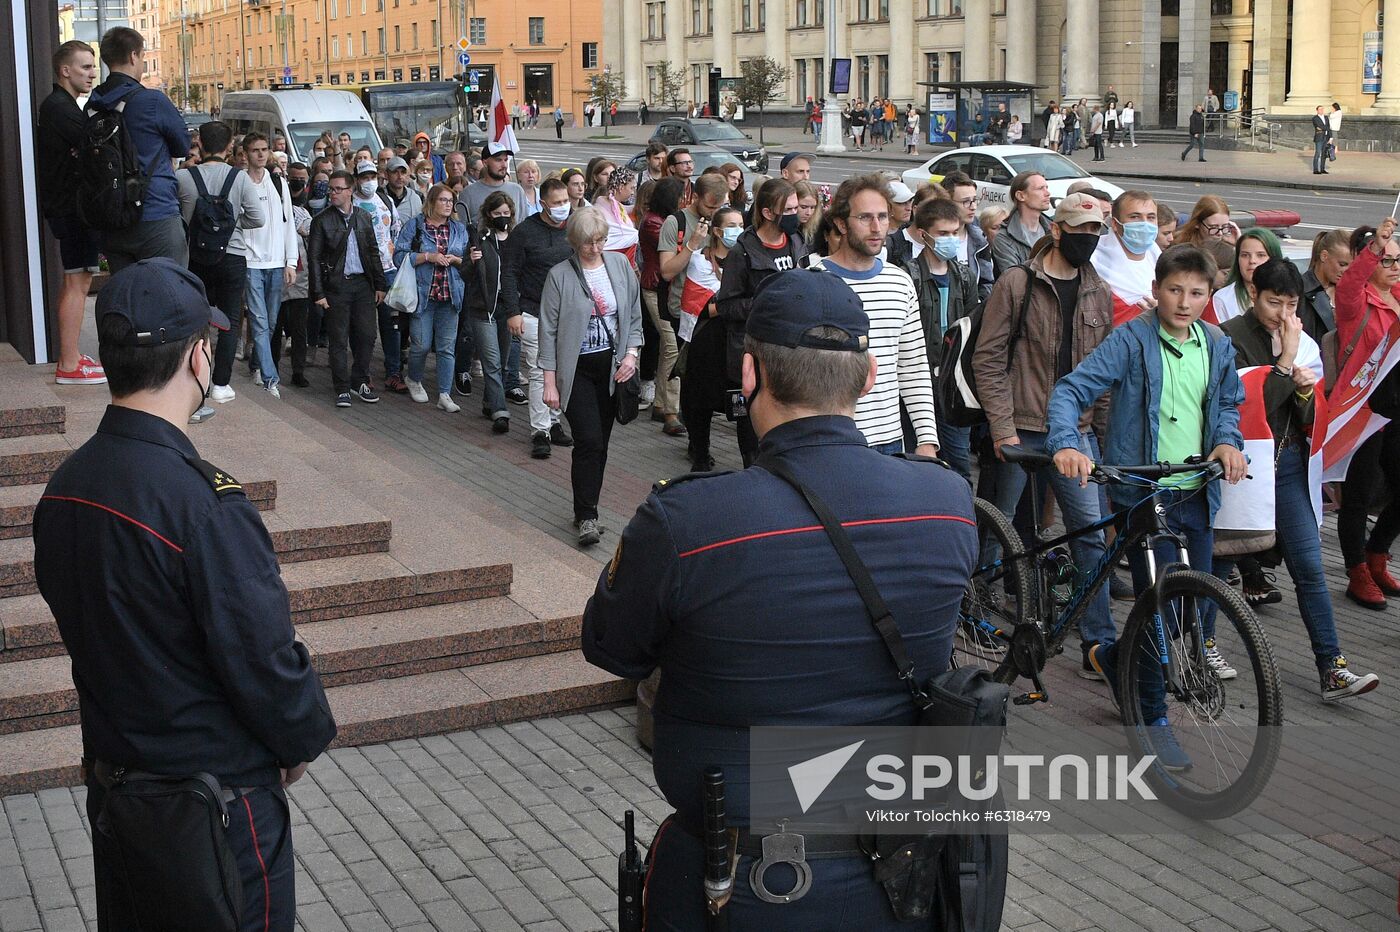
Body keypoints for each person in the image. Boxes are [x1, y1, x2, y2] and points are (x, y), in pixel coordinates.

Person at [580, 269, 977, 930]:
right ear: (871, 375)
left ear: (748, 374)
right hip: (895, 880)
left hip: (734, 884)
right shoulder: (946, 503)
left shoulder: (686, 521)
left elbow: (609, 648)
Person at [32, 258, 336, 931]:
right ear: (199, 357)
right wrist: (301, 738)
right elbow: (264, 657)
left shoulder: (66, 487)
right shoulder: (203, 503)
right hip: (215, 810)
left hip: (121, 799)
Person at [1049, 246, 1248, 766]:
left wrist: (1228, 442)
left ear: (1210, 296)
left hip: (1197, 491)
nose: (1184, 303)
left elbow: (1227, 404)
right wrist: (1067, 442)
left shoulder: (1216, 344)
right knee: (1158, 608)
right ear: (1156, 289)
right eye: (1175, 290)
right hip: (1145, 491)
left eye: (1197, 293)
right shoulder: (1132, 340)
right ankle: (1153, 717)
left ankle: (1115, 657)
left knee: (1192, 610)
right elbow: (1072, 390)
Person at [1217, 257, 1381, 700]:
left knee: (1308, 568)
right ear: (1253, 295)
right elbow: (1251, 409)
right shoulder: (1228, 337)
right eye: (1274, 303)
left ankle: (1332, 666)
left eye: (1292, 305)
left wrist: (1306, 391)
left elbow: (1310, 419)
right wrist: (1286, 366)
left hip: (1288, 466)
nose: (1284, 316)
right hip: (1242, 467)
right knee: (1221, 560)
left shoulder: (1301, 339)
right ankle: (1202, 646)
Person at [975, 193, 1117, 671]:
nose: (1090, 240)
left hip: (1074, 434)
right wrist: (1001, 427)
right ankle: (974, 606)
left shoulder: (1099, 291)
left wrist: (1100, 437)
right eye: (1081, 230)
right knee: (1000, 526)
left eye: (1097, 231)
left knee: (1089, 535)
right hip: (1021, 426)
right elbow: (989, 358)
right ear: (1057, 230)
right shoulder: (1018, 283)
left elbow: (1100, 375)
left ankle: (1098, 645)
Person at [808, 174, 940, 457]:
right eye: (865, 218)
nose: (877, 227)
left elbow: (913, 365)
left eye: (882, 216)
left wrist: (927, 438)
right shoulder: (812, 281)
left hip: (890, 440)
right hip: (833, 440)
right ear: (841, 224)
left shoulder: (900, 282)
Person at [540, 207, 643, 546]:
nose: (596, 248)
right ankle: (586, 516)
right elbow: (548, 331)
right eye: (589, 243)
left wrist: (631, 354)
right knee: (589, 441)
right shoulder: (559, 275)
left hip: (612, 368)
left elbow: (632, 316)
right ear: (575, 242)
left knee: (602, 445)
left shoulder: (619, 265)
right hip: (577, 369)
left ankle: (588, 506)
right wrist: (550, 381)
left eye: (601, 240)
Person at [716, 179, 810, 466]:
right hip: (754, 352)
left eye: (798, 207)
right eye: (790, 209)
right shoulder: (742, 252)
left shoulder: (796, 242)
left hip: (791, 348)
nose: (797, 214)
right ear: (768, 213)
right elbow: (725, 305)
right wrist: (764, 302)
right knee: (753, 422)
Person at [176, 121, 266, 419]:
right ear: (230, 148)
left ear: (199, 143)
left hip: (194, 258)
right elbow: (258, 218)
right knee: (229, 320)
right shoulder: (239, 178)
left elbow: (175, 217)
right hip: (232, 256)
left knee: (194, 321)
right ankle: (221, 384)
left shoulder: (183, 177)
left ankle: (194, 381)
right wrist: (232, 225)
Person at [1333, 218, 1400, 610]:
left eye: (1397, 259)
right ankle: (1357, 570)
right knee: (1357, 495)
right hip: (1362, 410)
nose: (1393, 265)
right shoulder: (1356, 301)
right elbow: (1348, 284)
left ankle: (1378, 554)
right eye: (1385, 259)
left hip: (1396, 409)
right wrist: (1376, 245)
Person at [86, 27, 192, 271]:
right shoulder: (152, 101)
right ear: (134, 56)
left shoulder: (93, 105)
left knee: (128, 298)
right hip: (156, 212)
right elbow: (182, 146)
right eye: (143, 56)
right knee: (170, 294)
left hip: (112, 217)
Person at [38, 40, 106, 386]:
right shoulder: (60, 108)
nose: (92, 73)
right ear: (65, 70)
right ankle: (68, 363)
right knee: (77, 282)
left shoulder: (63, 106)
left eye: (93, 67)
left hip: (70, 207)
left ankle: (72, 356)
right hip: (74, 209)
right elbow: (94, 145)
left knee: (77, 281)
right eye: (84, 67)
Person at [901, 196, 978, 480]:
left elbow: (972, 328)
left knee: (959, 464)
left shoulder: (965, 277)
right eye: (942, 234)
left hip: (953, 387)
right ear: (924, 235)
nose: (950, 240)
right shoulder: (909, 275)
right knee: (915, 463)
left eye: (955, 233)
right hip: (917, 382)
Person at [502, 177, 577, 458]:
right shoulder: (524, 233)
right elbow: (508, 273)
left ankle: (554, 421)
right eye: (557, 203)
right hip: (533, 312)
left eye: (566, 201)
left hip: (567, 314)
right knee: (538, 371)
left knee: (560, 372)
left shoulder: (573, 227)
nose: (563, 207)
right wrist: (513, 312)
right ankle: (540, 430)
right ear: (543, 204)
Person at [660, 174, 730, 468]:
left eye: (720, 206)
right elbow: (666, 271)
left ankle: (699, 436)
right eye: (711, 206)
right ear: (695, 197)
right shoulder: (674, 223)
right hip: (684, 314)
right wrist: (692, 245)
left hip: (717, 317)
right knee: (691, 380)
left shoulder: (726, 221)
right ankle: (695, 441)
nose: (715, 213)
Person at [308, 170, 389, 407]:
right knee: (338, 338)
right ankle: (342, 387)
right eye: (331, 189)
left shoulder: (363, 217)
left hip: (363, 284)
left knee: (367, 335)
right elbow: (314, 258)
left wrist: (380, 284)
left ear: (350, 191)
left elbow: (373, 252)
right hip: (337, 285)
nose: (332, 193)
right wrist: (318, 293)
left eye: (337, 189)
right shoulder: (322, 220)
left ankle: (359, 380)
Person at [231, 132, 298, 399]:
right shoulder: (239, 182)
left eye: (264, 149)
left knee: (270, 322)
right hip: (250, 261)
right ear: (245, 154)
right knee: (259, 320)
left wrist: (290, 261)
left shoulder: (278, 182)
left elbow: (288, 223)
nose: (260, 154)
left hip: (275, 261)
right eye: (255, 150)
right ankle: (271, 377)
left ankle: (258, 363)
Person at [393, 183, 467, 411]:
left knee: (446, 347)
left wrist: (455, 259)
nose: (448, 205)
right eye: (443, 200)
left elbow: (467, 260)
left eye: (450, 201)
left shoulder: (458, 228)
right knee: (421, 345)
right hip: (423, 295)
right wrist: (428, 256)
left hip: (450, 295)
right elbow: (399, 256)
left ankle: (445, 393)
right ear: (432, 202)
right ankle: (413, 378)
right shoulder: (415, 226)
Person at [462, 191, 518, 434]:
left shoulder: (517, 241)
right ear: (489, 215)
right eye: (497, 214)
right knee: (492, 362)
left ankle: (488, 401)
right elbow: (464, 274)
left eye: (506, 213)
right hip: (483, 310)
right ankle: (500, 410)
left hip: (509, 310)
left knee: (503, 362)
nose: (502, 218)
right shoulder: (481, 239)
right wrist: (472, 261)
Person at [351, 159, 404, 393]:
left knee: (392, 324)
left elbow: (396, 230)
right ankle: (362, 373)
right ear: (356, 180)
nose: (369, 181)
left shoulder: (385, 200)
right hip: (363, 273)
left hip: (388, 269)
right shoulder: (351, 203)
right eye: (364, 177)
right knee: (363, 327)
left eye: (372, 176)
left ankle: (394, 372)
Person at [638, 178, 686, 437]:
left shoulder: (665, 219)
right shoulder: (655, 223)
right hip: (655, 288)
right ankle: (670, 409)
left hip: (666, 289)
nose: (685, 202)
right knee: (670, 345)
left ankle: (661, 404)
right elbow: (678, 249)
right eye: (682, 197)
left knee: (670, 346)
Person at [271, 161, 314, 389]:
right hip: (276, 276)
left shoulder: (301, 212)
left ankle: (298, 371)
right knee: (275, 328)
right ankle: (272, 369)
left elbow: (308, 231)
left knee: (298, 329)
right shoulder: (269, 213)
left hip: (299, 278)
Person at [1092, 189, 1162, 327]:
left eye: (1151, 217)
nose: (1145, 224)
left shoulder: (1159, 256)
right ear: (1115, 224)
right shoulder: (1094, 258)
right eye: (1135, 217)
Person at [1209, 227, 1284, 326]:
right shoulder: (1223, 299)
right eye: (1245, 255)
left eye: (1260, 255)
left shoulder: (1291, 296)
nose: (1252, 260)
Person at [992, 171, 1052, 278]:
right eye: (1040, 188)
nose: (1047, 193)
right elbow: (1015, 279)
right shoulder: (1004, 237)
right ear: (1021, 196)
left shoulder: (1054, 230)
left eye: (1046, 187)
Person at [1300, 228, 1351, 342]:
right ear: (1324, 256)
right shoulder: (1299, 290)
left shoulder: (1350, 293)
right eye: (1342, 264)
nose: (1346, 271)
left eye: (1351, 266)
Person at [458, 141, 526, 222]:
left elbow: (524, 223)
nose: (504, 165)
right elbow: (462, 228)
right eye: (498, 160)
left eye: (505, 160)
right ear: (485, 163)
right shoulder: (468, 193)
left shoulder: (517, 190)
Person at [381, 156, 425, 225]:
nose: (400, 176)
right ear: (386, 175)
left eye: (403, 172)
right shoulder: (378, 196)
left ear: (407, 175)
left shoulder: (415, 198)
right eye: (395, 172)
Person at [1311, 105, 1333, 175]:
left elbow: (1328, 127)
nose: (1321, 111)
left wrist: (1331, 137)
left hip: (1326, 137)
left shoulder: (1326, 117)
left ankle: (1322, 169)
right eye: (1320, 109)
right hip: (1319, 137)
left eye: (1322, 109)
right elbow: (1319, 126)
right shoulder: (1315, 118)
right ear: (1317, 110)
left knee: (1324, 154)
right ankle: (1316, 169)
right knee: (1318, 153)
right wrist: (1325, 128)